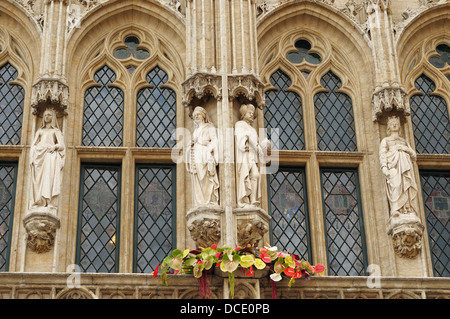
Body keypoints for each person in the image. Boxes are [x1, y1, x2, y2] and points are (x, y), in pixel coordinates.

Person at [379, 116, 418, 216]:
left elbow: (414, 156)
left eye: (396, 123)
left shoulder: (404, 141)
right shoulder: (386, 140)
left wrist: (404, 149)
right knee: (396, 185)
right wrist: (384, 167)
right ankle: (395, 208)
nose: (395, 125)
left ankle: (407, 208)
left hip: (405, 168)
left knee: (406, 185)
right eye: (392, 124)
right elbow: (382, 154)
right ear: (388, 127)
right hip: (393, 167)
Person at [30, 107, 65, 209]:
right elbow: (33, 144)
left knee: (48, 178)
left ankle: (49, 201)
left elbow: (62, 145)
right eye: (45, 115)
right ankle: (39, 201)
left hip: (49, 155)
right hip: (39, 156)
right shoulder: (40, 131)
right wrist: (34, 153)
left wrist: (54, 147)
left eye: (49, 115)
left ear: (53, 117)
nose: (46, 117)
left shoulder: (55, 131)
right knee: (38, 179)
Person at [235, 104, 269, 208]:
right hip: (245, 155)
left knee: (255, 175)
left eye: (252, 114)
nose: (251, 115)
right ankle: (244, 199)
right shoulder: (240, 124)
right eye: (249, 113)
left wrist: (265, 145)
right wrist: (248, 140)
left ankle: (253, 199)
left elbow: (257, 142)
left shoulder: (253, 129)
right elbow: (240, 136)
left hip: (253, 156)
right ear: (244, 114)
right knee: (247, 175)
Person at [185, 106, 219, 206]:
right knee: (197, 177)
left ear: (203, 115)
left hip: (205, 152)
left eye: (198, 114)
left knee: (206, 176)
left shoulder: (210, 127)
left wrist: (209, 150)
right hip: (196, 153)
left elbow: (215, 140)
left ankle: (209, 199)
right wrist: (191, 145)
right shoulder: (195, 130)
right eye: (195, 115)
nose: (196, 117)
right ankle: (200, 201)